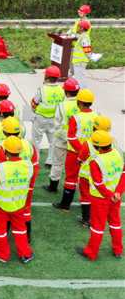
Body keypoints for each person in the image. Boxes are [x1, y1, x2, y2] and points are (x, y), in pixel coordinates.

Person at [76, 131, 124, 261]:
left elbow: (97, 183)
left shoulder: (96, 161)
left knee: (97, 226)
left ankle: (91, 253)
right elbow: (123, 174)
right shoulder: (119, 153)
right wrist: (118, 192)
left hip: (100, 198)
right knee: (115, 223)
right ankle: (118, 250)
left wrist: (109, 195)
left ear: (99, 147)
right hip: (116, 197)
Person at [0, 136, 35, 264]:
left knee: (0, 230)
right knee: (20, 228)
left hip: (0, 205)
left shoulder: (1, 167)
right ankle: (25, 254)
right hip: (19, 204)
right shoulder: (29, 165)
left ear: (6, 152)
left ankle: (3, 255)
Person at [53, 89, 98, 212]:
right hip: (92, 154)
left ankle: (65, 204)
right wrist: (88, 152)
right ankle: (88, 206)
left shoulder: (75, 118)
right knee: (88, 178)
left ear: (79, 103)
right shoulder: (96, 116)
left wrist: (82, 151)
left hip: (75, 153)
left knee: (71, 179)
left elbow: (72, 139)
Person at [44, 78, 81, 194]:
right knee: (75, 166)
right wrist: (73, 140)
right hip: (76, 143)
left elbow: (57, 126)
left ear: (66, 92)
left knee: (57, 163)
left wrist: (67, 139)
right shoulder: (82, 105)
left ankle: (53, 187)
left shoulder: (61, 106)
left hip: (61, 141)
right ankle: (72, 187)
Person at [76, 116, 115, 228]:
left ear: (95, 128)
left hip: (86, 176)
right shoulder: (112, 142)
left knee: (85, 197)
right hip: (104, 175)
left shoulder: (89, 143)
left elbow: (81, 158)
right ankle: (96, 219)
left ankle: (86, 219)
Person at [30, 65, 64, 169]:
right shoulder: (61, 90)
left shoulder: (41, 90)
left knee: (36, 141)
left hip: (40, 118)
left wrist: (34, 112)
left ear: (47, 77)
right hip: (54, 119)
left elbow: (33, 104)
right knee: (53, 141)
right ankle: (50, 162)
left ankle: (35, 161)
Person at [70, 21, 92, 89]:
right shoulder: (81, 36)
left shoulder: (83, 38)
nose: (77, 28)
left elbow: (86, 50)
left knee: (80, 78)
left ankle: (82, 91)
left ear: (82, 29)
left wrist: (89, 56)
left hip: (80, 61)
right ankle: (82, 90)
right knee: (79, 77)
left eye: (78, 27)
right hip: (78, 61)